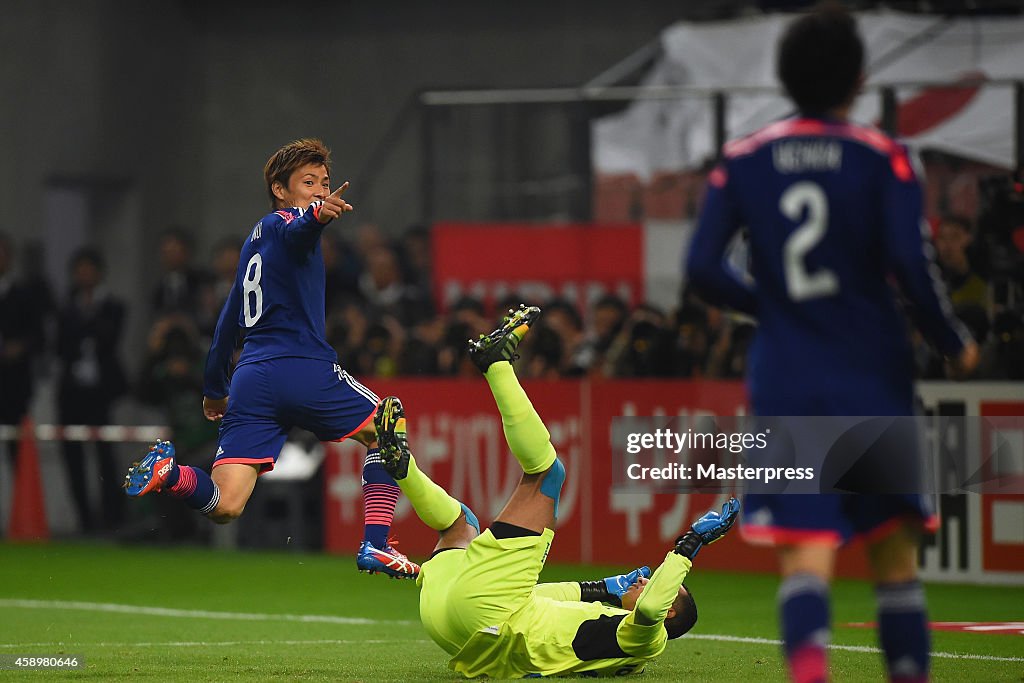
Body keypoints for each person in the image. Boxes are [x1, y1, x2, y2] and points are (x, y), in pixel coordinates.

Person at [685, 6, 979, 683]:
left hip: (785, 377)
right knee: (894, 558)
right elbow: (912, 261)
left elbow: (703, 266)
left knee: (805, 553)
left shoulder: (745, 159)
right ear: (858, 78)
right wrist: (951, 340)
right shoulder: (885, 158)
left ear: (787, 80)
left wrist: (769, 305)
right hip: (872, 372)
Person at [372, 304, 740, 678]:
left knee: (548, 474)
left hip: (490, 615)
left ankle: (497, 364)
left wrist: (690, 543)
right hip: (453, 627)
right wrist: (602, 587)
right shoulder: (612, 631)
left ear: (669, 612)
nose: (648, 579)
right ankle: (403, 468)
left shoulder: (649, 638)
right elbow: (545, 598)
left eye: (662, 587)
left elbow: (649, 609)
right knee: (460, 525)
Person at [124, 138, 417, 578]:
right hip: (301, 367)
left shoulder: (250, 247)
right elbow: (298, 227)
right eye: (309, 182)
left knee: (226, 504)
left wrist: (214, 389)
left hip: (252, 377)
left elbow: (227, 323)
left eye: (324, 182)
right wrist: (316, 215)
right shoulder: (287, 224)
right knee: (388, 427)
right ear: (280, 190)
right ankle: (376, 545)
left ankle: (172, 474)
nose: (321, 190)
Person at [57, 247, 128, 533]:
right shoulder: (65, 307)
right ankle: (84, 520)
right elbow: (60, 346)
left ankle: (111, 518)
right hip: (72, 391)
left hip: (102, 393)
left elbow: (110, 338)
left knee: (105, 456)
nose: (83, 275)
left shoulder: (114, 305)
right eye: (79, 269)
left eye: (89, 268)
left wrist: (86, 322)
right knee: (72, 457)